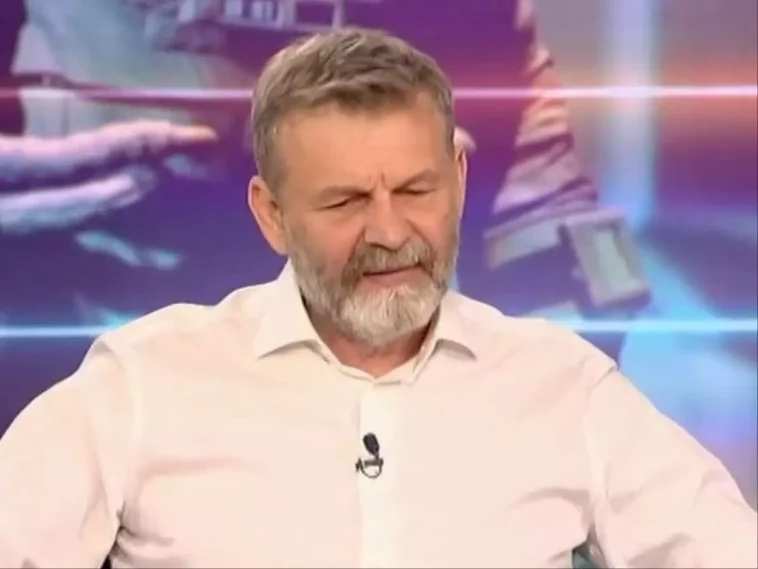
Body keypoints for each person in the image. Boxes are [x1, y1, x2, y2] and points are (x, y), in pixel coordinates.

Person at [1, 27, 755, 569]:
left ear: (459, 179)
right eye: (345, 201)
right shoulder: (143, 382)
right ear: (271, 214)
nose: (390, 233)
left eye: (417, 190)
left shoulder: (566, 387)